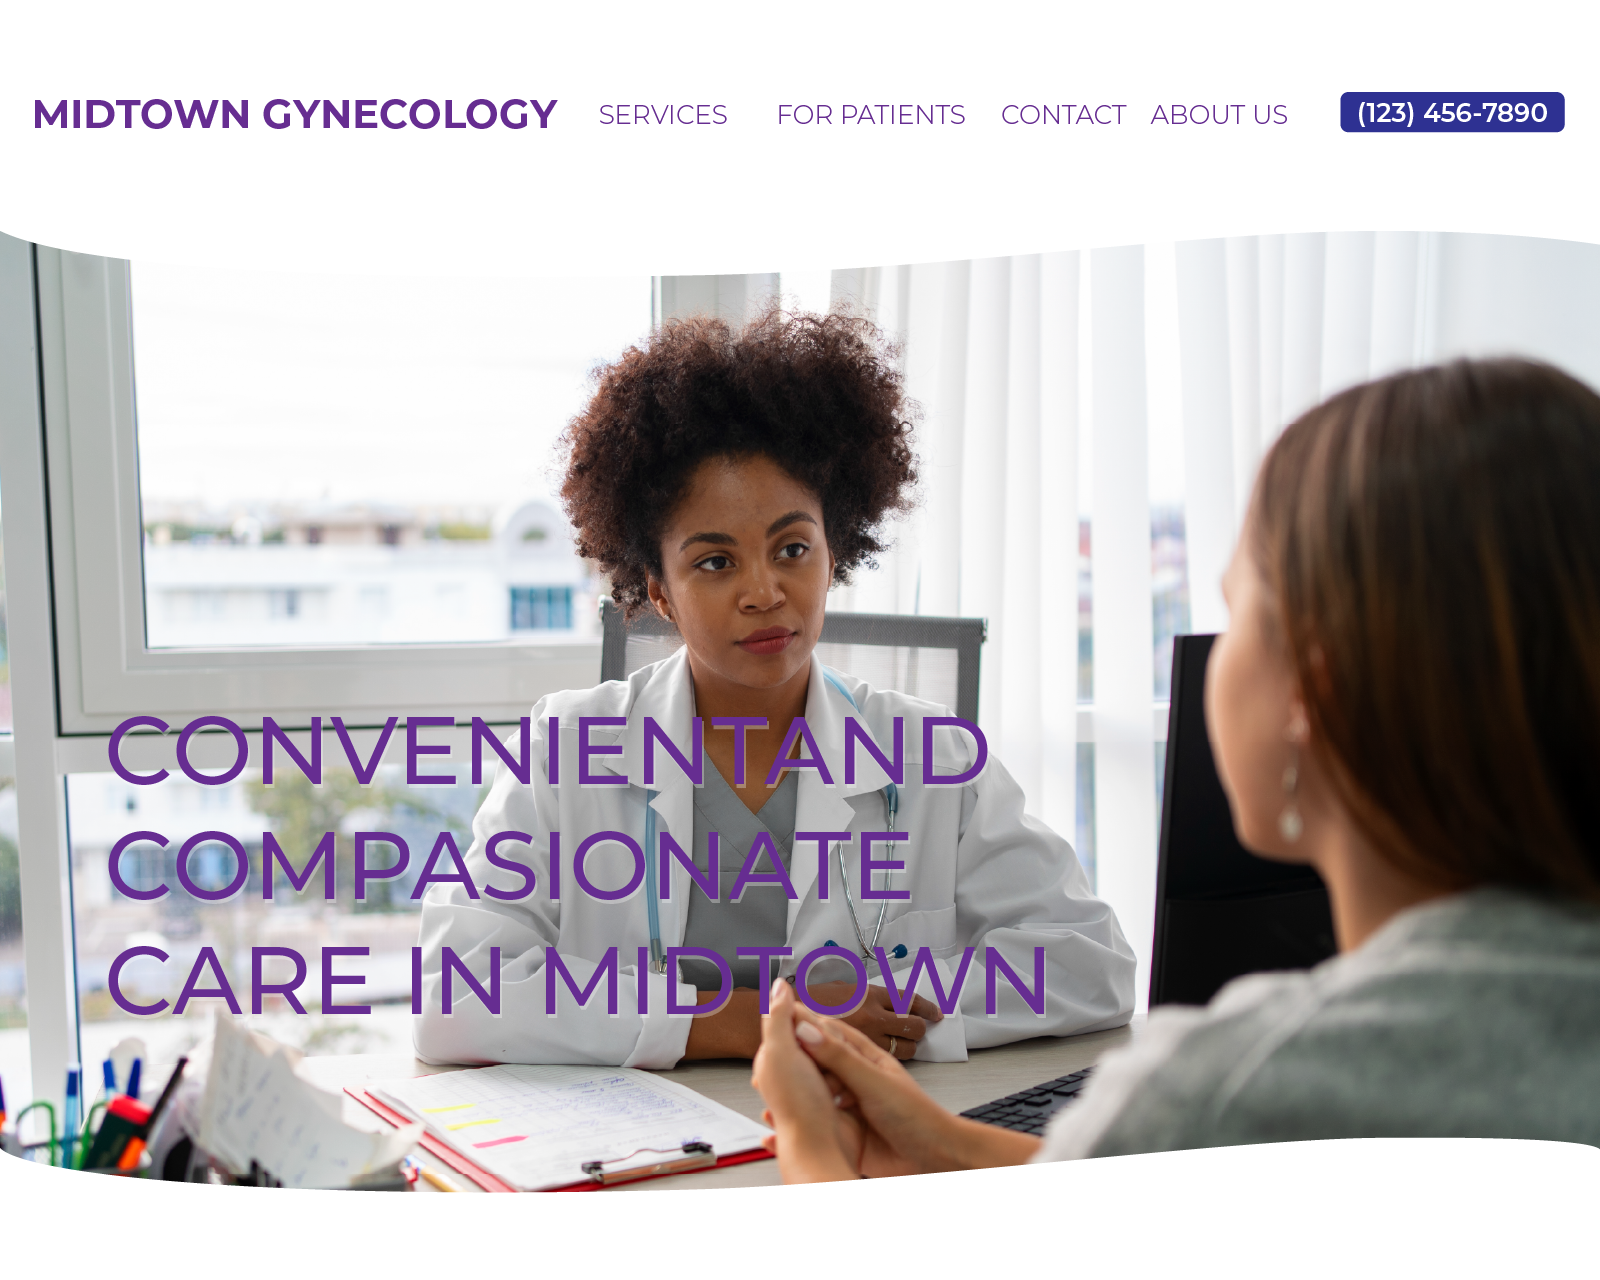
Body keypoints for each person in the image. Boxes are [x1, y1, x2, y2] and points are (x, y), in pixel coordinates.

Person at [750, 356, 1600, 1179]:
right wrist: (943, 1139)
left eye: (1237, 610)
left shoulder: (1242, 1084)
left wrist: (809, 1142)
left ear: (1315, 688)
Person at [413, 307, 1135, 1068]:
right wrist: (740, 1023)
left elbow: (1092, 964)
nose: (764, 592)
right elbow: (454, 993)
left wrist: (885, 1008)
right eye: (715, 562)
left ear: (835, 553)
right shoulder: (565, 751)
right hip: (655, 1156)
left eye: (792, 548)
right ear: (659, 590)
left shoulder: (929, 757)